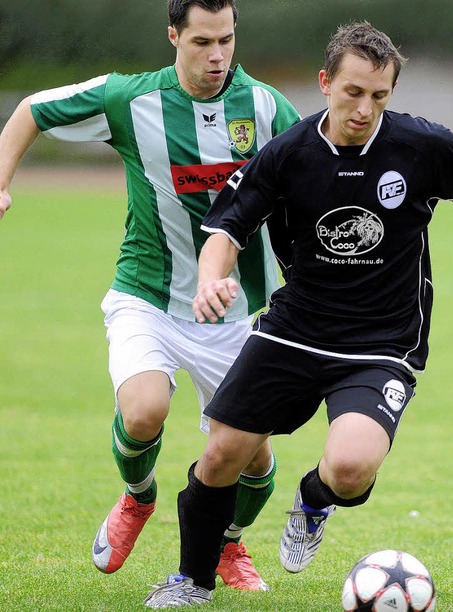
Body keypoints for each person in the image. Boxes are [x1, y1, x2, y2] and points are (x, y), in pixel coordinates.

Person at [143, 21, 453, 608]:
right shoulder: (288, 154)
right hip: (295, 330)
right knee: (221, 455)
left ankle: (314, 498)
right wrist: (213, 277)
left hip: (382, 342)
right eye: (352, 92)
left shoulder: (418, 147)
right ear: (325, 83)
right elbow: (226, 226)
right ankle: (191, 581)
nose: (364, 108)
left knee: (349, 469)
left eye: (379, 96)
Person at [0, 0, 300, 591]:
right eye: (201, 43)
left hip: (239, 312)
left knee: (252, 458)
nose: (218, 57)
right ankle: (138, 498)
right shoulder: (128, 98)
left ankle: (227, 546)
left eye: (227, 40)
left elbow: (312, 171)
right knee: (143, 412)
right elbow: (31, 109)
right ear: (173, 37)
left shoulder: (267, 106)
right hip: (149, 297)